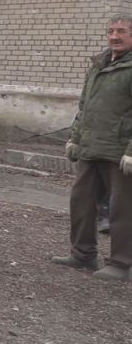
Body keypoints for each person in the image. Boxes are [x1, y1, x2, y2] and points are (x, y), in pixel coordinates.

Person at [53, 14, 132, 280]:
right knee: (81, 202)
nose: (114, 36)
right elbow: (84, 107)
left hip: (119, 152)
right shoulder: (97, 65)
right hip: (90, 147)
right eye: (110, 30)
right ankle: (83, 254)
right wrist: (75, 137)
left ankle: (121, 264)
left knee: (122, 208)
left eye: (121, 31)